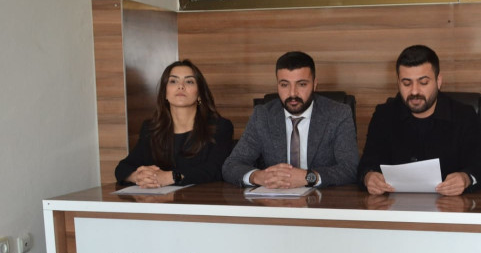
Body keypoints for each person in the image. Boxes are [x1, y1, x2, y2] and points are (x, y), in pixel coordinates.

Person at [357, 45, 481, 196]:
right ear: (398, 83)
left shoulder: (463, 115)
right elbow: (366, 165)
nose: (414, 91)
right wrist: (369, 177)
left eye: (423, 82)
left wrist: (466, 178)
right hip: (394, 204)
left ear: (438, 81)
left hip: (449, 204)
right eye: (407, 83)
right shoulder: (384, 115)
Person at [222, 51, 358, 188]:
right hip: (274, 198)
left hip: (323, 199)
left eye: (302, 84)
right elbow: (231, 165)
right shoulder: (262, 115)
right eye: (284, 85)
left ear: (314, 84)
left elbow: (350, 169)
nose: (293, 93)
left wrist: (309, 177)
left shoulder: (338, 114)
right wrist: (257, 177)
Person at [115, 59, 233, 187]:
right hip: (160, 198)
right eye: (173, 81)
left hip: (202, 197)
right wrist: (138, 176)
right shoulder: (151, 128)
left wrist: (171, 177)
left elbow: (216, 169)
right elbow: (123, 167)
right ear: (165, 93)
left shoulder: (219, 127)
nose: (180, 86)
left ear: (199, 94)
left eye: (189, 81)